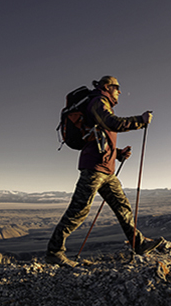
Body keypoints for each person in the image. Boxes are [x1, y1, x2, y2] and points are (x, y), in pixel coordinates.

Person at [46, 76, 163, 267]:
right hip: (94, 169)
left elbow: (100, 138)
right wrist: (139, 121)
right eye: (117, 89)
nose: (119, 93)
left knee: (122, 207)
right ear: (108, 87)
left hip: (106, 169)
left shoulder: (100, 104)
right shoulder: (98, 101)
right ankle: (54, 252)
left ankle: (139, 244)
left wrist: (118, 154)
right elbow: (112, 123)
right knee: (79, 211)